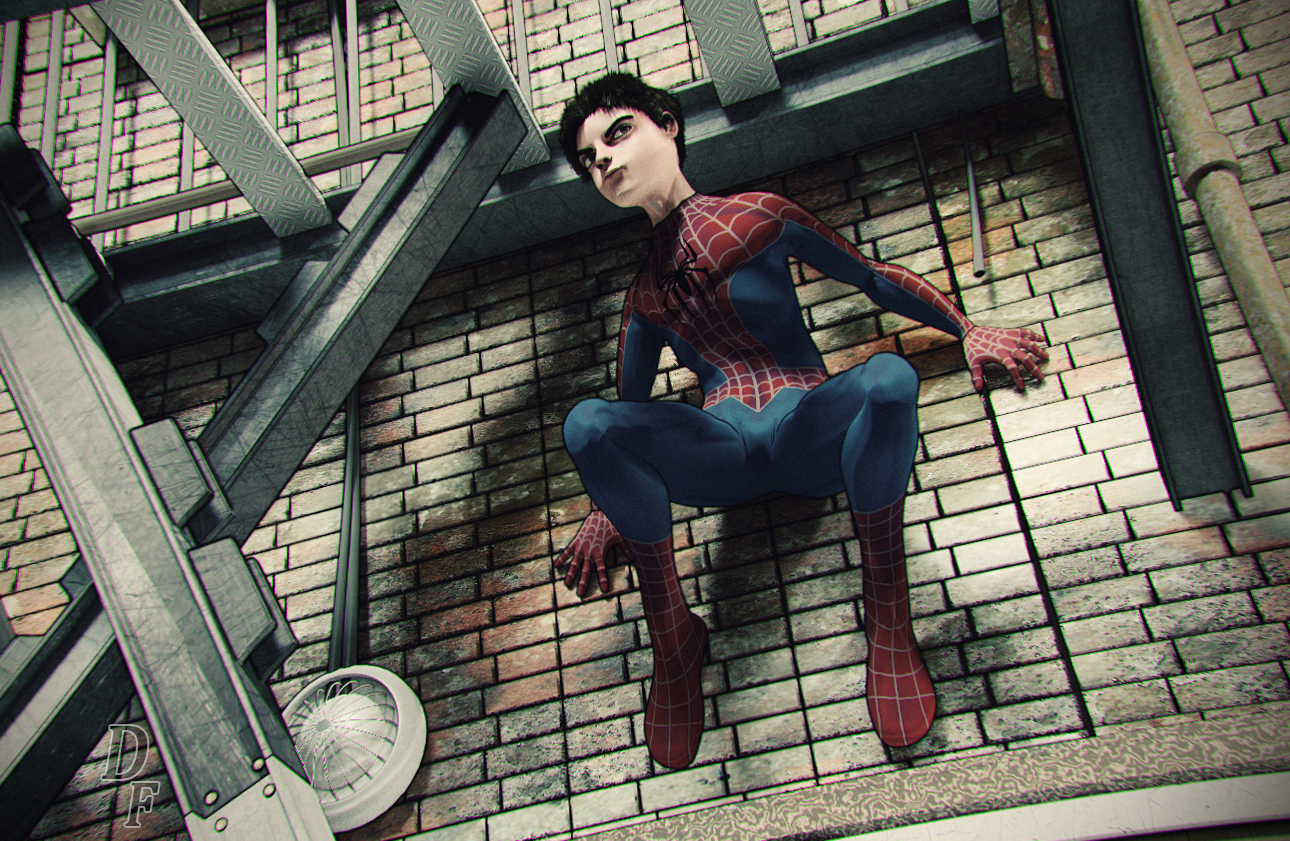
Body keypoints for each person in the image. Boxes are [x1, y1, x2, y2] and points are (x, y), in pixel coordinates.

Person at [555, 73, 1047, 770]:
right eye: (588, 158)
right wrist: (606, 507)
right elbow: (622, 420)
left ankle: (888, 612)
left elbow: (868, 275)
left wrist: (966, 329)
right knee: (586, 423)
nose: (603, 159)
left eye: (617, 132)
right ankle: (674, 639)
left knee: (888, 377)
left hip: (806, 431)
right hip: (725, 454)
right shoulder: (645, 298)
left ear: (667, 122)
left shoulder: (759, 216)